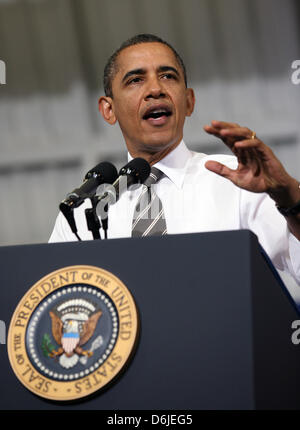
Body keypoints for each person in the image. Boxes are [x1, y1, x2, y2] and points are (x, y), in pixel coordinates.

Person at [49, 34, 300, 284]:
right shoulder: (83, 212)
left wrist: (291, 199)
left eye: (168, 76)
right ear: (108, 109)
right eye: (136, 80)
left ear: (189, 101)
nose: (155, 90)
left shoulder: (239, 180)